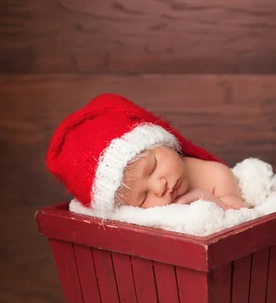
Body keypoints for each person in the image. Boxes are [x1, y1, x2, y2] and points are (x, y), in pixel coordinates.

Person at [46, 93, 249, 219]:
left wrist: (207, 199)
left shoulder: (213, 175)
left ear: (164, 144)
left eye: (152, 167)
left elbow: (241, 218)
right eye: (143, 198)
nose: (159, 187)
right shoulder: (143, 215)